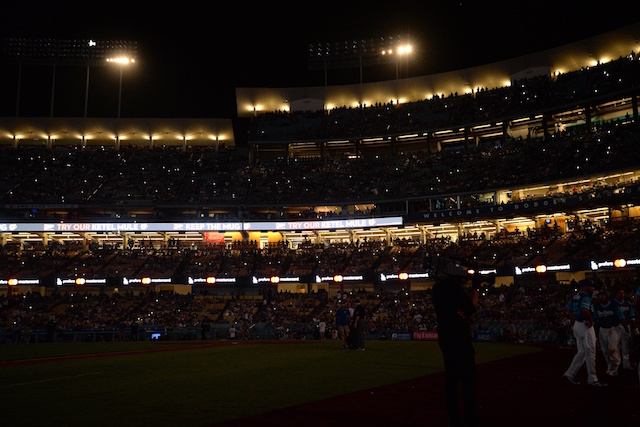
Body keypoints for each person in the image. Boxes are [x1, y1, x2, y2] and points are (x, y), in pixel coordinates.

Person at [432, 258, 480, 427]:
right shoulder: (454, 288)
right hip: (459, 336)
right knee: (468, 379)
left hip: (445, 335)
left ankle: (454, 418)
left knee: (451, 379)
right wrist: (475, 288)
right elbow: (471, 308)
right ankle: (470, 417)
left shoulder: (436, 289)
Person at [563, 278, 607, 386]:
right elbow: (584, 310)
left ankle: (570, 373)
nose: (593, 289)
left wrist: (575, 317)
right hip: (585, 325)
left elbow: (567, 308)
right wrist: (591, 321)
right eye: (591, 287)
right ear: (587, 287)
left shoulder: (575, 296)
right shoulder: (585, 297)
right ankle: (592, 379)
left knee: (582, 352)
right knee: (590, 352)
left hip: (578, 325)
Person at [593, 289, 624, 377]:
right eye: (600, 295)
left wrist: (627, 329)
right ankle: (610, 365)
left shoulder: (614, 305)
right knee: (605, 351)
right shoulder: (597, 306)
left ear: (607, 296)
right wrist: (595, 331)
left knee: (612, 348)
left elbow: (622, 318)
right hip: (603, 329)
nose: (601, 297)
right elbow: (595, 320)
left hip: (614, 328)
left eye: (603, 295)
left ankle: (615, 367)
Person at [612, 287, 636, 370]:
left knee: (625, 346)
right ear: (616, 294)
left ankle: (626, 363)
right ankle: (617, 364)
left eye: (623, 293)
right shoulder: (613, 304)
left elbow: (632, 316)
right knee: (615, 346)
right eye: (620, 293)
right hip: (615, 326)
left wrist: (633, 327)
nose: (622, 295)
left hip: (626, 326)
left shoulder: (627, 304)